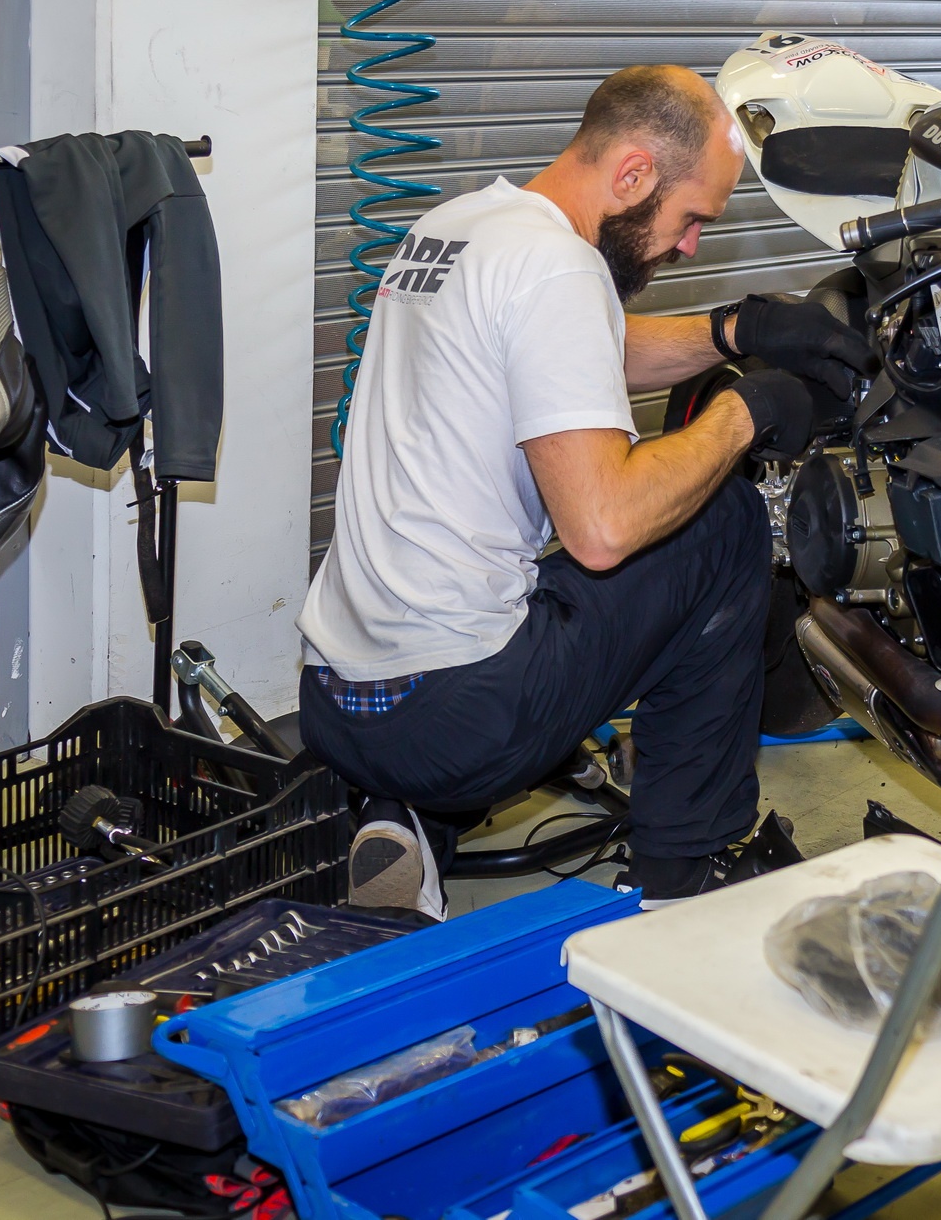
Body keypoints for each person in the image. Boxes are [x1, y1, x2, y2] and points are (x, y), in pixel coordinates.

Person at [296, 64, 873, 917]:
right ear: (634, 173)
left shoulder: (458, 227)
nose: (690, 247)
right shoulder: (559, 267)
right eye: (692, 219)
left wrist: (735, 329)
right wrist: (745, 413)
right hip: (459, 718)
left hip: (336, 707)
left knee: (515, 585)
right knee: (724, 520)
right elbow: (602, 528)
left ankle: (403, 817)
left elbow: (571, 352)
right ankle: (687, 867)